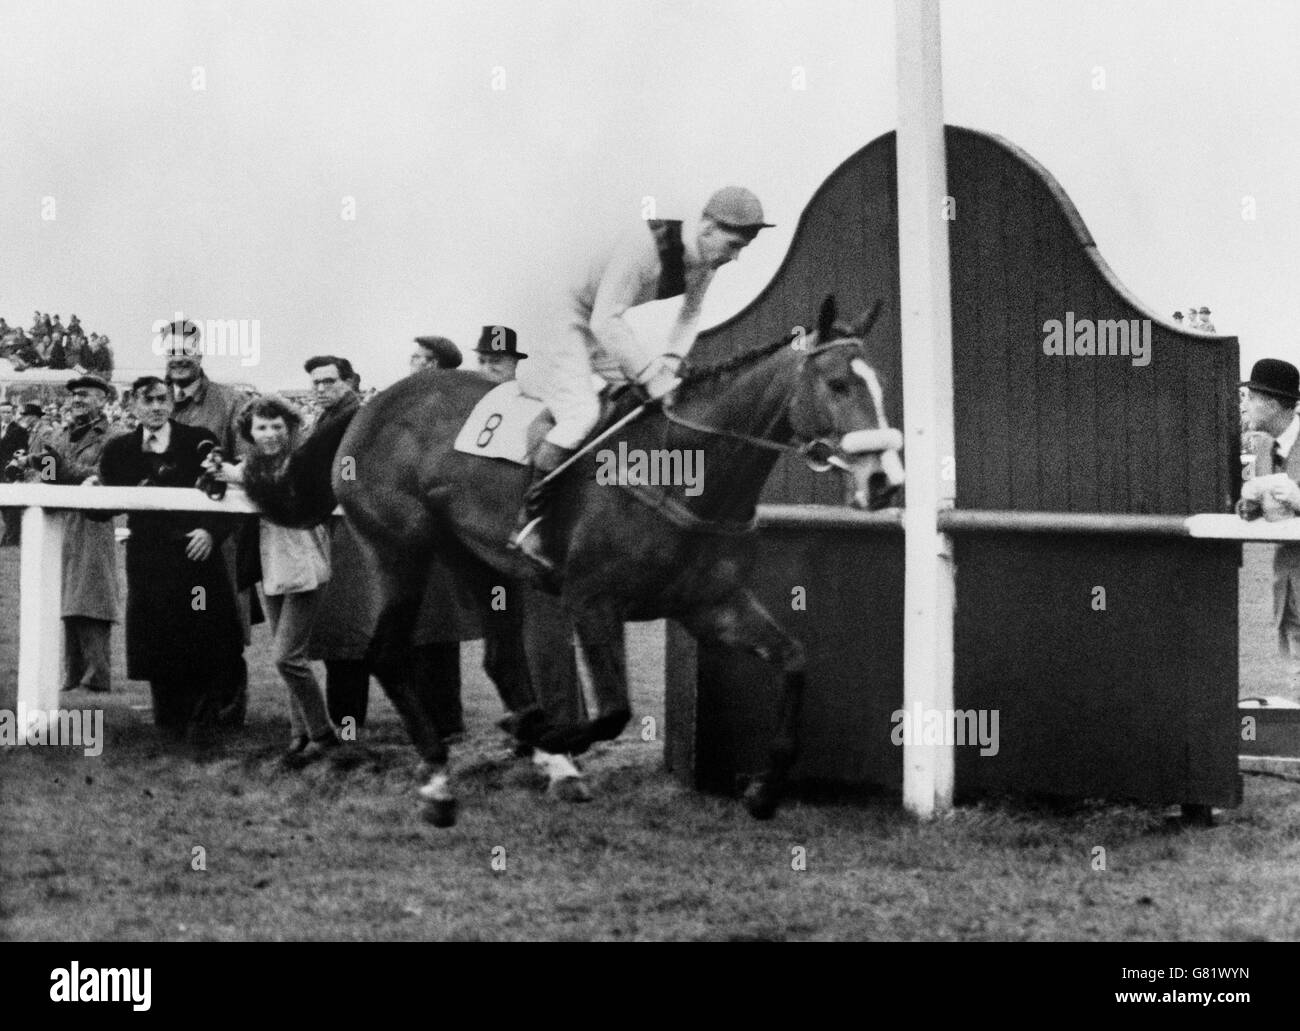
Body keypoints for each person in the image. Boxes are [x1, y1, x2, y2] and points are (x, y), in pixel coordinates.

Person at [510, 185, 773, 572]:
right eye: (733, 244)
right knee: (581, 414)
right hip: (562, 312)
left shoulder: (704, 262)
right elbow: (605, 320)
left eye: (741, 248)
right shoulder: (644, 246)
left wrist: (668, 362)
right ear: (707, 228)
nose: (735, 257)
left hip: (595, 320)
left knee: (640, 391)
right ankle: (531, 519)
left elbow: (690, 316)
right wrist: (653, 376)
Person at [206, 395, 356, 767]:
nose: (270, 434)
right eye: (262, 427)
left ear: (291, 430)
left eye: (277, 427)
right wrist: (216, 473)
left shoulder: (300, 463)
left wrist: (234, 474)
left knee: (286, 657)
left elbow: (277, 489)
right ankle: (299, 735)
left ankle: (323, 734)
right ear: (249, 432)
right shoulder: (250, 465)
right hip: (270, 565)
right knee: (291, 656)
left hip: (304, 563)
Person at [98, 376, 243, 753]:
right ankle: (168, 722)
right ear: (132, 405)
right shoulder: (119, 450)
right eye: (148, 401)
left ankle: (205, 721)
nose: (157, 407)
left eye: (162, 399)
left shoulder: (198, 440)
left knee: (203, 632)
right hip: (149, 558)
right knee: (156, 637)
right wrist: (87, 490)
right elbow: (104, 507)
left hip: (195, 559)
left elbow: (226, 491)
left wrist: (211, 532)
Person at [162, 319, 251, 726]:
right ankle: (180, 711)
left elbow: (245, 466)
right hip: (166, 533)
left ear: (201, 354)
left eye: (187, 350)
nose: (178, 357)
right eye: (172, 350)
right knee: (173, 618)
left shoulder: (229, 402)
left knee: (219, 619)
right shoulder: (154, 399)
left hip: (219, 531)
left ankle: (225, 708)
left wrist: (214, 525)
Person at [25, 375, 120, 693]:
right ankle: (71, 675)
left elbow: (106, 475)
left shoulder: (115, 438)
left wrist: (60, 467)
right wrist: (44, 465)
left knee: (92, 600)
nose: (77, 399)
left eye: (85, 394)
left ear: (103, 400)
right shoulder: (59, 436)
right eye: (74, 395)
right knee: (65, 601)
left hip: (93, 525)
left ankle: (97, 677)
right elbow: (50, 477)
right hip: (62, 525)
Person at [1237, 359, 1300, 689]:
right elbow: (1264, 511)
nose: (1245, 405)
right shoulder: (1262, 446)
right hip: (1286, 582)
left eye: (1252, 397)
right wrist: (1248, 504)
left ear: (1273, 404)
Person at [0, 400, 29, 545]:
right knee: (3, 504)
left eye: (8, 412)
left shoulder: (19, 430)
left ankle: (13, 537)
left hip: (10, 469)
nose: (6, 415)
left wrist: (16, 469)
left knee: (11, 506)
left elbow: (22, 450)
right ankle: (8, 535)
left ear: (13, 413)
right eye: (3, 412)